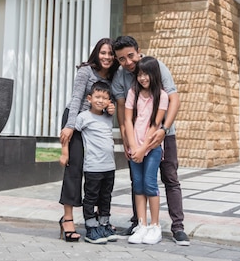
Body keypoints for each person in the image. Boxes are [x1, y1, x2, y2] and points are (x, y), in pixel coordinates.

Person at [111, 36, 190, 246]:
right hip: (135, 137)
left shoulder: (156, 66)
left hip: (162, 134)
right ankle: (140, 222)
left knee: (169, 177)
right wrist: (127, 141)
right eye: (121, 59)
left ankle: (177, 226)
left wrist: (164, 130)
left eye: (130, 56)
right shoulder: (120, 77)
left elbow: (173, 98)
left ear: (138, 51)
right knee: (138, 180)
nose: (127, 62)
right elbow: (122, 110)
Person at [58, 38, 119, 242]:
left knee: (98, 175)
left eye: (110, 54)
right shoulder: (85, 71)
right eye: (103, 53)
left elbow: (108, 102)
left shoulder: (113, 76)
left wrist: (111, 110)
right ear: (96, 53)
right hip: (76, 120)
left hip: (96, 123)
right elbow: (76, 98)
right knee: (74, 170)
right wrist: (69, 126)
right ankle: (67, 219)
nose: (107, 57)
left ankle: (99, 221)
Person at [124, 56, 168, 245]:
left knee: (150, 185)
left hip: (152, 148)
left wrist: (143, 148)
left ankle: (155, 226)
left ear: (154, 74)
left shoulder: (162, 96)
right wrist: (133, 147)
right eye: (140, 74)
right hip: (134, 147)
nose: (143, 78)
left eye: (146, 74)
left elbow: (155, 124)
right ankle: (141, 225)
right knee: (138, 186)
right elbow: (127, 120)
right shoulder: (133, 92)